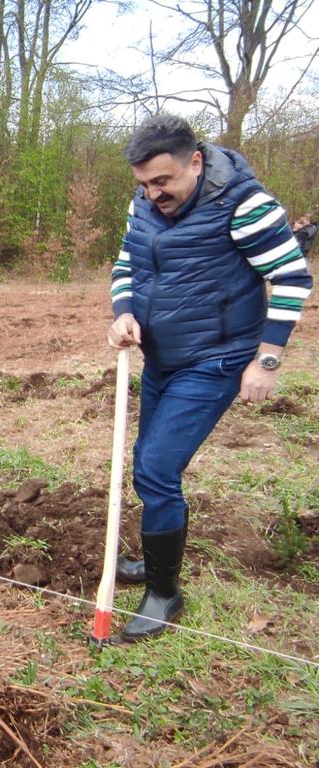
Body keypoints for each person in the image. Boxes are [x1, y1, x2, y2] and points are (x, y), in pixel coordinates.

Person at [109, 115, 313, 641]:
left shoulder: (245, 205)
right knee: (148, 465)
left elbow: (292, 278)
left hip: (217, 359)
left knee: (157, 466)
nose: (153, 194)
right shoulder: (143, 205)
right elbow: (127, 264)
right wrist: (124, 312)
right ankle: (156, 563)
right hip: (161, 358)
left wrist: (267, 360)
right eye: (143, 184)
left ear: (195, 161)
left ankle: (164, 593)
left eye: (163, 181)